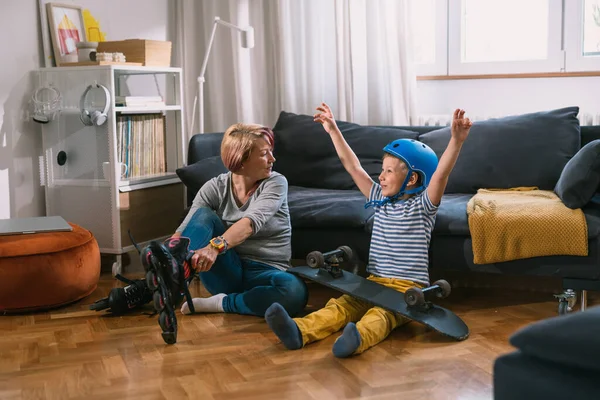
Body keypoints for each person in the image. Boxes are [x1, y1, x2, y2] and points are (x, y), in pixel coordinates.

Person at [264, 103, 472, 358]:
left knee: (381, 317)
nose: (381, 176)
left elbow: (440, 175)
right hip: (374, 282)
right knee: (341, 306)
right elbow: (352, 166)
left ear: (413, 179)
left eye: (388, 171)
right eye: (382, 170)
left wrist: (456, 141)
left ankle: (357, 338)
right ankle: (298, 330)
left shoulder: (423, 206)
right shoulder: (379, 198)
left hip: (407, 290)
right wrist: (333, 130)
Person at [156, 123, 308, 318]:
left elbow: (250, 224)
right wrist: (167, 253)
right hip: (226, 270)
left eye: (271, 152)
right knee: (202, 215)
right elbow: (186, 230)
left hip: (267, 271)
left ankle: (223, 302)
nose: (272, 159)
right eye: (264, 154)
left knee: (295, 292)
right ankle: (169, 276)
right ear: (241, 161)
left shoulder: (276, 183)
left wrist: (214, 248)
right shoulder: (214, 187)